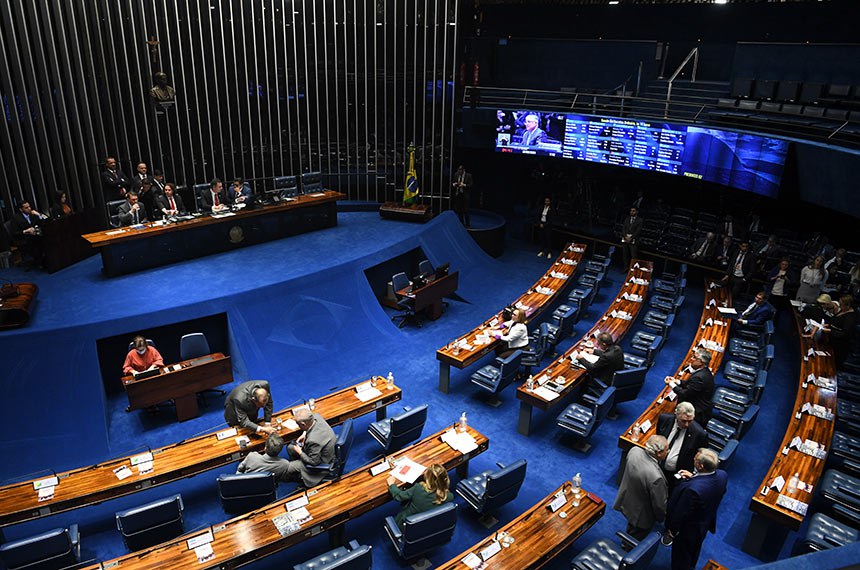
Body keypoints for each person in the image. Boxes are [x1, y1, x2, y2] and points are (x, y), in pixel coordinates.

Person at [664, 448, 728, 570]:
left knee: (681, 558)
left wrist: (672, 531)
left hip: (688, 530)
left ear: (700, 466)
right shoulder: (722, 475)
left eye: (696, 459)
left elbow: (680, 513)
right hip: (704, 523)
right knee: (694, 551)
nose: (693, 458)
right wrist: (694, 477)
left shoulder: (692, 490)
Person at [614, 435, 669, 540]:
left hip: (628, 500)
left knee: (631, 527)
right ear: (659, 453)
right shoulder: (656, 477)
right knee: (635, 538)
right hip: (641, 515)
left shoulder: (634, 450)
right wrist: (661, 517)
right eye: (667, 450)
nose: (668, 452)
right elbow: (659, 505)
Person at [387, 463, 454, 530]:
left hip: (409, 527)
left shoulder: (418, 488)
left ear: (427, 477)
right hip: (431, 527)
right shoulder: (450, 497)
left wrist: (392, 485)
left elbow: (399, 496)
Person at [284, 407, 336, 488]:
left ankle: (299, 475)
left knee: (290, 466)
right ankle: (298, 472)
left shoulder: (313, 440)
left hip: (322, 461)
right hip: (322, 446)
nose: (298, 427)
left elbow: (314, 462)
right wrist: (305, 433)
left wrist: (300, 452)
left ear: (303, 424)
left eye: (299, 425)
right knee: (290, 447)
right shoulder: (316, 417)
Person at [656, 402, 708, 482]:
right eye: (683, 421)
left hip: (676, 475)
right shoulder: (664, 419)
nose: (687, 425)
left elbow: (701, 456)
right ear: (676, 414)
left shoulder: (700, 434)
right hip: (656, 466)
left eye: (690, 421)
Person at [666, 349, 714, 426]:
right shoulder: (704, 372)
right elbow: (692, 386)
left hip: (696, 413)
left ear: (701, 362)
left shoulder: (699, 377)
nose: (691, 359)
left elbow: (684, 394)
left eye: (694, 358)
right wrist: (677, 381)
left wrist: (671, 384)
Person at [10, 201, 48, 267]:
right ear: (21, 209)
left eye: (29, 206)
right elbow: (14, 233)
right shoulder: (16, 218)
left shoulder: (33, 214)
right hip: (24, 238)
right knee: (37, 243)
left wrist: (39, 215)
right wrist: (25, 231)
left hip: (36, 235)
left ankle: (46, 260)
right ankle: (41, 262)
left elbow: (47, 219)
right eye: (26, 208)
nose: (29, 208)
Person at [826, 295, 856, 366]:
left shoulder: (850, 318)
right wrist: (828, 325)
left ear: (847, 305)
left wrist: (830, 331)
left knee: (832, 364)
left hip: (840, 346)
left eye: (841, 304)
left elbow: (845, 334)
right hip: (832, 340)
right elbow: (835, 321)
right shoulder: (843, 310)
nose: (839, 306)